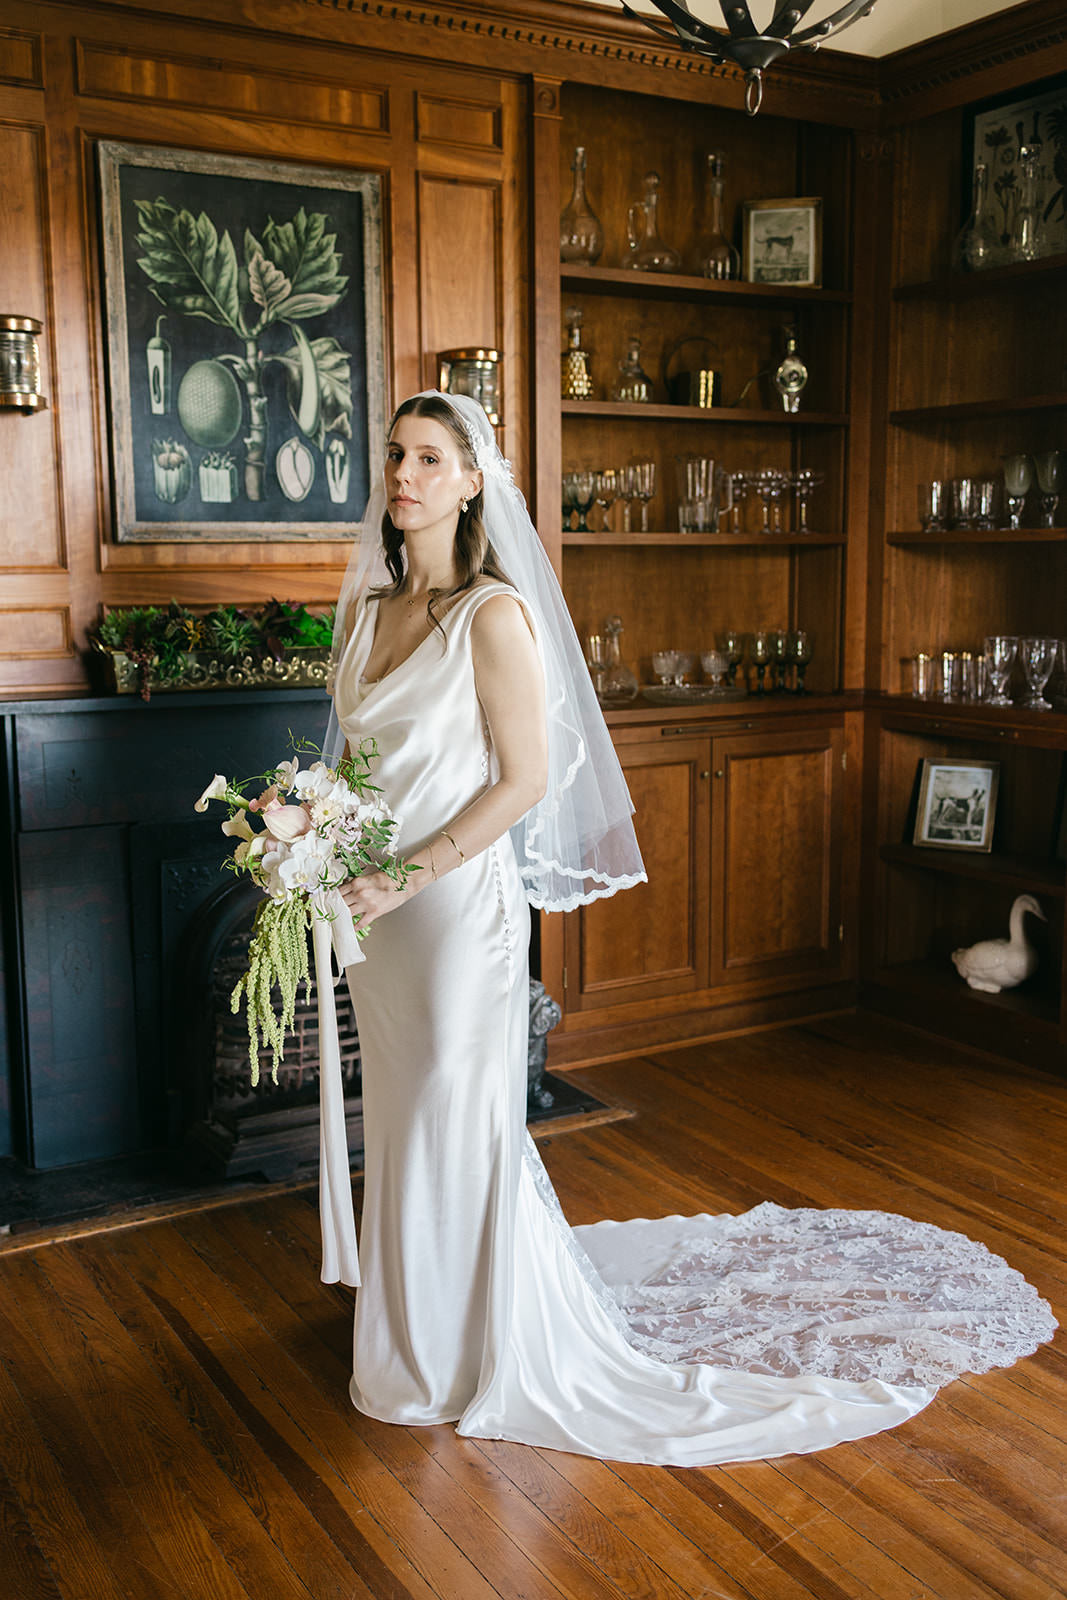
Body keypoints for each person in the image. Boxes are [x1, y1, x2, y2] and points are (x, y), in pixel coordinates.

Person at [324, 390, 1055, 1467]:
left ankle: (471, 1346)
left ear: (473, 482)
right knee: (400, 1112)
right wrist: (316, 838)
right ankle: (411, 1334)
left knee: (451, 1112)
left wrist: (405, 871)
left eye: (431, 457)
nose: (405, 474)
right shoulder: (366, 610)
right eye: (396, 454)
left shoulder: (493, 616)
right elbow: (358, 765)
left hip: (446, 907)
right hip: (376, 915)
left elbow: (523, 779)